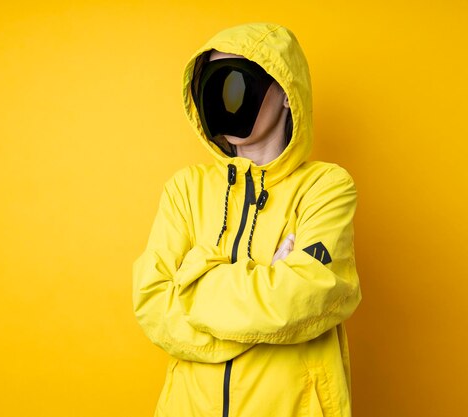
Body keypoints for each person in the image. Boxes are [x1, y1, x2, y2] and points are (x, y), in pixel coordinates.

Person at [133, 22, 362, 417]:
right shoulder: (185, 190)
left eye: (237, 80)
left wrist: (193, 279)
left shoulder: (326, 187)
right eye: (215, 83)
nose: (226, 96)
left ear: (287, 93)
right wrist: (268, 292)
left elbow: (304, 298)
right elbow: (153, 304)